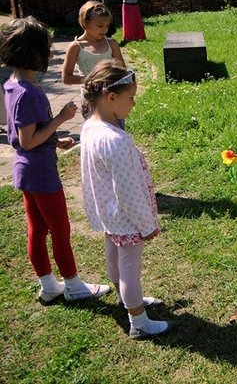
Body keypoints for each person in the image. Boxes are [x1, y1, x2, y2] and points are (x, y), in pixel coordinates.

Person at [1, 16, 111, 304]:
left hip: (26, 171)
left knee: (37, 230)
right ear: (33, 53)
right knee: (60, 231)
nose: (51, 54)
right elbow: (27, 141)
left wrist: (53, 140)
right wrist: (61, 119)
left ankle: (49, 286)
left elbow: (28, 136)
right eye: (47, 49)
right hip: (41, 175)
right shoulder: (29, 93)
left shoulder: (13, 85)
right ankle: (73, 285)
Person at [80, 60, 171, 339]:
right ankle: (139, 322)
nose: (133, 104)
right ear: (110, 98)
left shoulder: (89, 128)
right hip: (126, 218)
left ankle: (126, 299)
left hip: (108, 214)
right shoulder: (115, 140)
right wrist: (146, 225)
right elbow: (128, 191)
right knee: (130, 269)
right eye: (130, 99)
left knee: (114, 260)